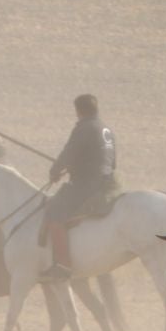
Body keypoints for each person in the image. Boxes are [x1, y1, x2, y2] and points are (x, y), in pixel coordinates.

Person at [38, 94, 119, 282]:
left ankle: (63, 265)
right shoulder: (107, 130)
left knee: (54, 211)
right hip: (108, 181)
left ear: (78, 111)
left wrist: (55, 170)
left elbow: (69, 152)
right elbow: (112, 162)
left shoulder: (83, 128)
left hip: (87, 183)